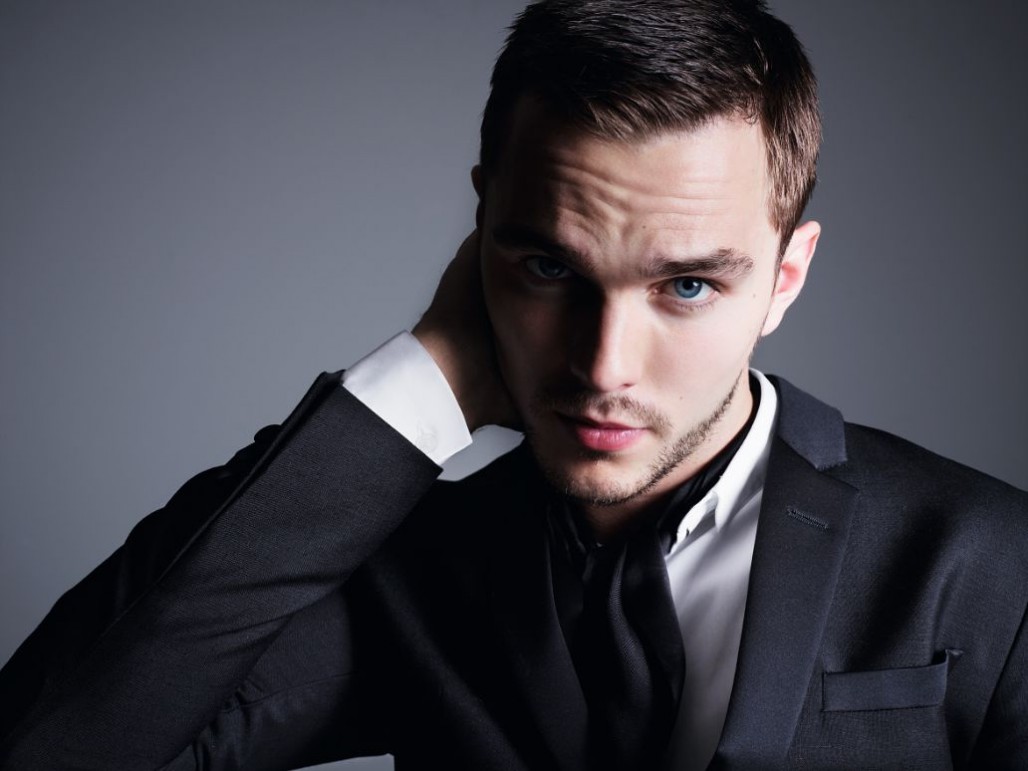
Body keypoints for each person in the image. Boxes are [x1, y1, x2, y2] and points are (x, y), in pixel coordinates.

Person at [1, 0, 1026, 768]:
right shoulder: (418, 576)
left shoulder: (985, 562)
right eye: (548, 268)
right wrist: (421, 386)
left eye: (685, 285)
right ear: (480, 231)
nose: (602, 367)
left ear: (784, 278)